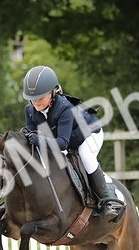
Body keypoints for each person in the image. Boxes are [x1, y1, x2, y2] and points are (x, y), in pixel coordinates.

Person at [20, 65, 124, 223]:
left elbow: (62, 143)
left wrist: (40, 140)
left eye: (40, 97)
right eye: (32, 98)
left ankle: (107, 201)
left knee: (86, 157)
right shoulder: (30, 110)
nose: (35, 102)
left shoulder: (64, 108)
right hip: (66, 138)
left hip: (89, 134)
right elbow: (32, 133)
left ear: (52, 92)